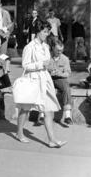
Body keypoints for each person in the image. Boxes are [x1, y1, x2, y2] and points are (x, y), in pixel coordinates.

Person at [14, 20, 67, 148]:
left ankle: (52, 140)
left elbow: (46, 62)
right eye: (44, 31)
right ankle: (19, 133)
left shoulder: (46, 46)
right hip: (33, 80)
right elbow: (25, 65)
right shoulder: (29, 47)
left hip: (45, 79)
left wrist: (49, 67)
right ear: (38, 31)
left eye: (48, 31)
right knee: (25, 109)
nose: (47, 34)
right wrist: (41, 64)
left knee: (49, 110)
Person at [48, 40, 73, 125]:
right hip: (48, 78)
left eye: (61, 50)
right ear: (53, 48)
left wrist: (60, 73)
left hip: (59, 79)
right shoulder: (47, 56)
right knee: (43, 87)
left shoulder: (65, 58)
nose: (60, 52)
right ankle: (41, 115)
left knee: (66, 87)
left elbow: (68, 73)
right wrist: (49, 72)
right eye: (58, 50)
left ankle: (67, 115)